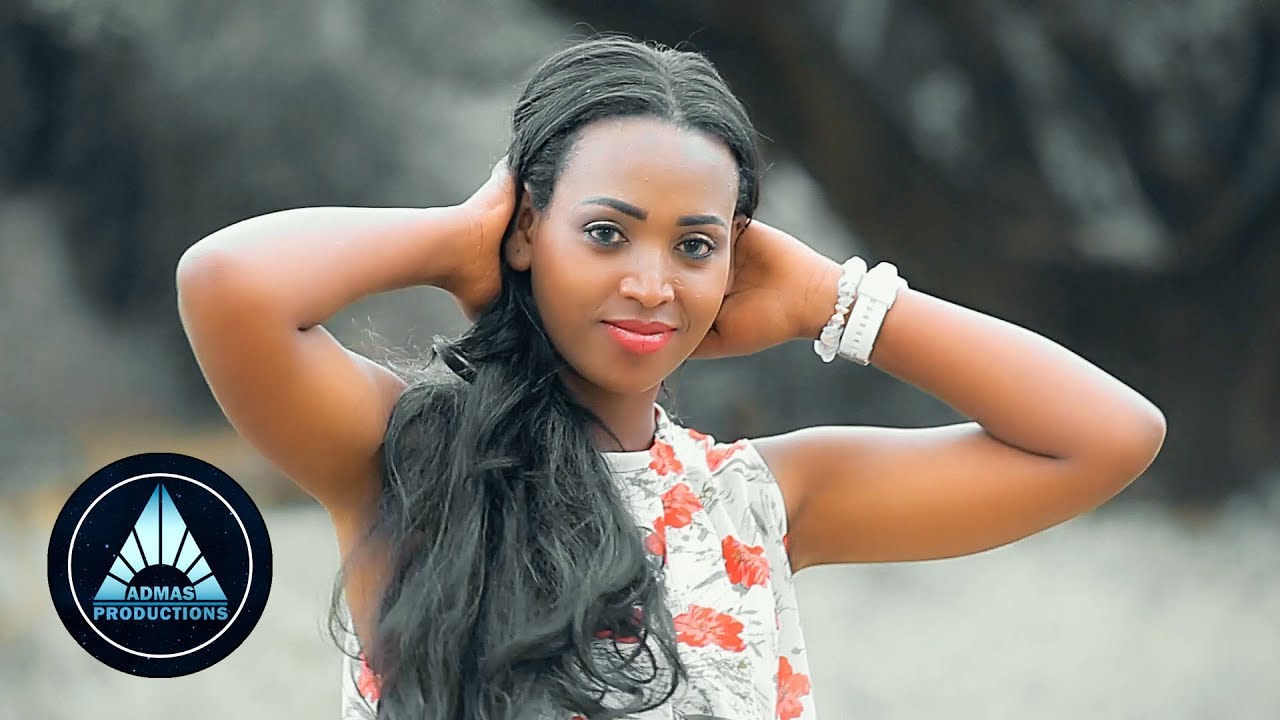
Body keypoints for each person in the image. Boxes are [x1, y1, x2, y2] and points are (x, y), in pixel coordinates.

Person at [175, 34, 1166, 720]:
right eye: (606, 233)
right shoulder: (404, 454)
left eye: (694, 246)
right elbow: (227, 286)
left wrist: (828, 299)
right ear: (527, 230)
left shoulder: (756, 502)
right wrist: (459, 240)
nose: (651, 285)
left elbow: (1107, 437)